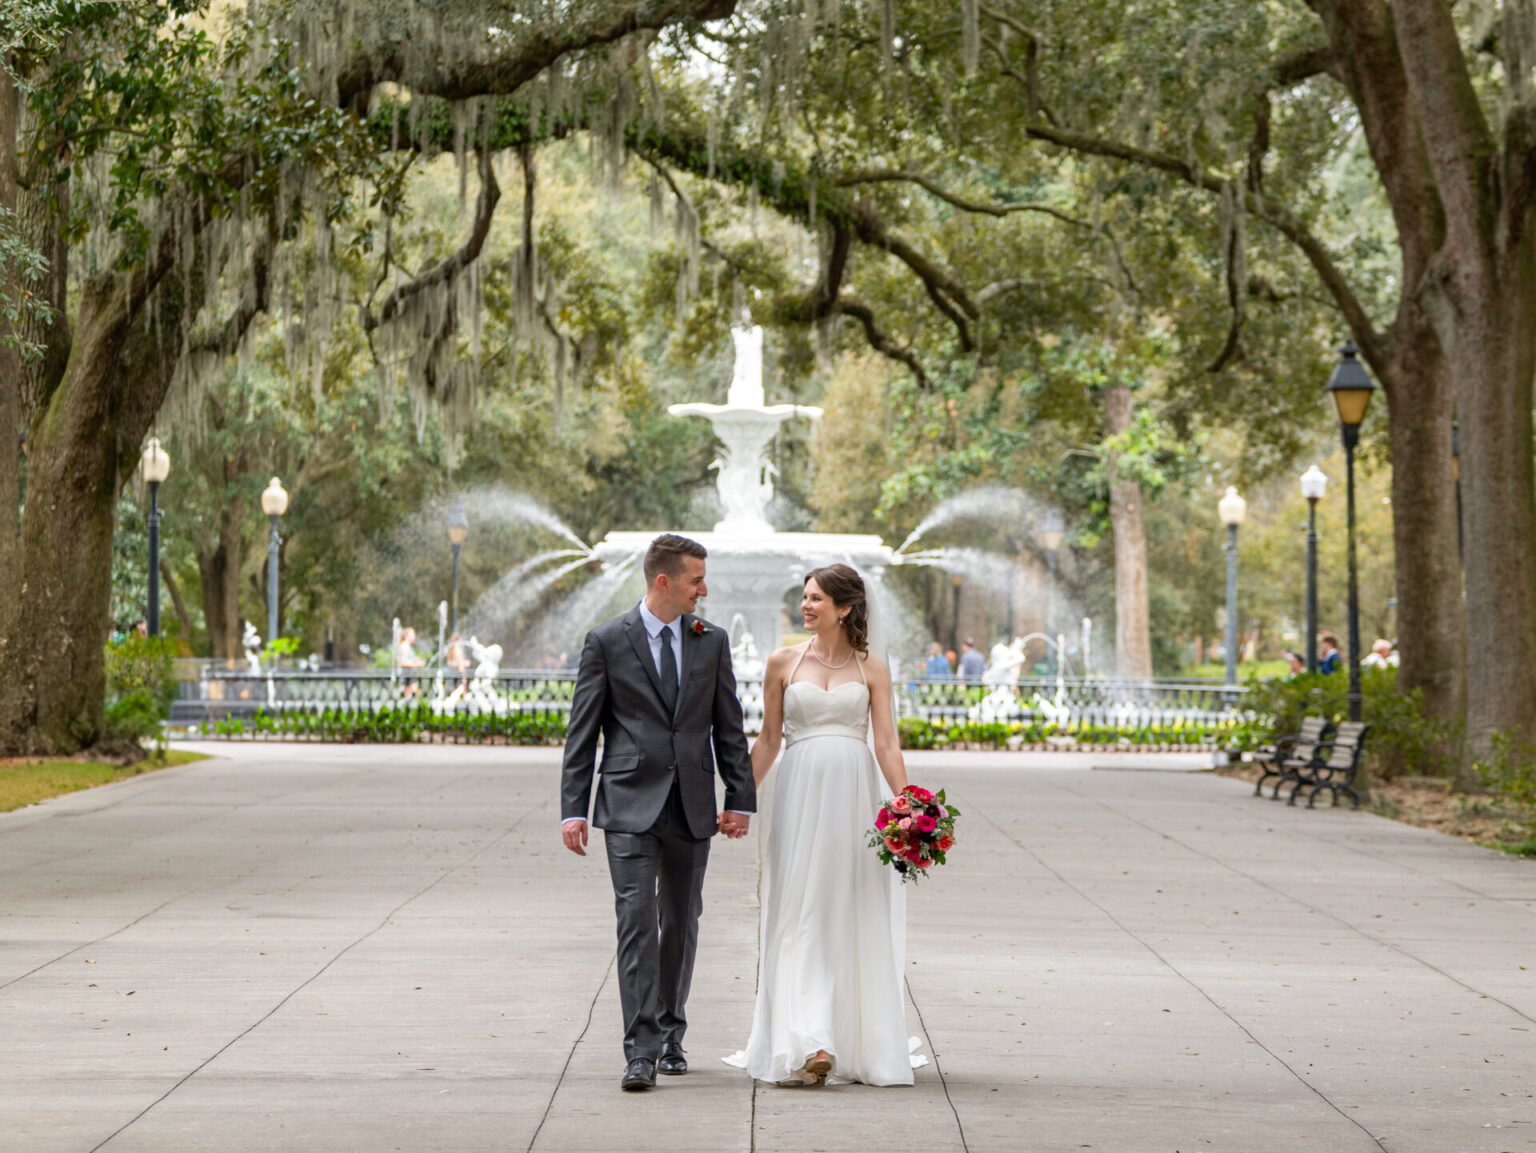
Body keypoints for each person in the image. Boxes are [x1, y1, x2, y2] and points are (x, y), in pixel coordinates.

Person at [560, 534, 756, 1093]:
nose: (705, 589)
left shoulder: (710, 640)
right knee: (636, 924)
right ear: (663, 581)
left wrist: (739, 798)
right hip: (627, 804)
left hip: (693, 806)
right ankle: (640, 1050)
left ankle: (672, 1033)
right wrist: (573, 809)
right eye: (697, 579)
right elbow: (583, 733)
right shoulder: (606, 641)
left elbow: (728, 725)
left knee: (681, 924)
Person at [724, 564, 926, 1087]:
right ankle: (810, 1039)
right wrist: (738, 800)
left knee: (848, 905)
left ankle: (850, 1035)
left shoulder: (872, 670)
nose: (806, 606)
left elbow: (885, 743)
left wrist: (910, 808)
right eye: (805, 598)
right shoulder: (781, 663)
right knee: (801, 906)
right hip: (799, 790)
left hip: (856, 796)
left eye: (816, 599)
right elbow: (768, 740)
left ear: (845, 608)